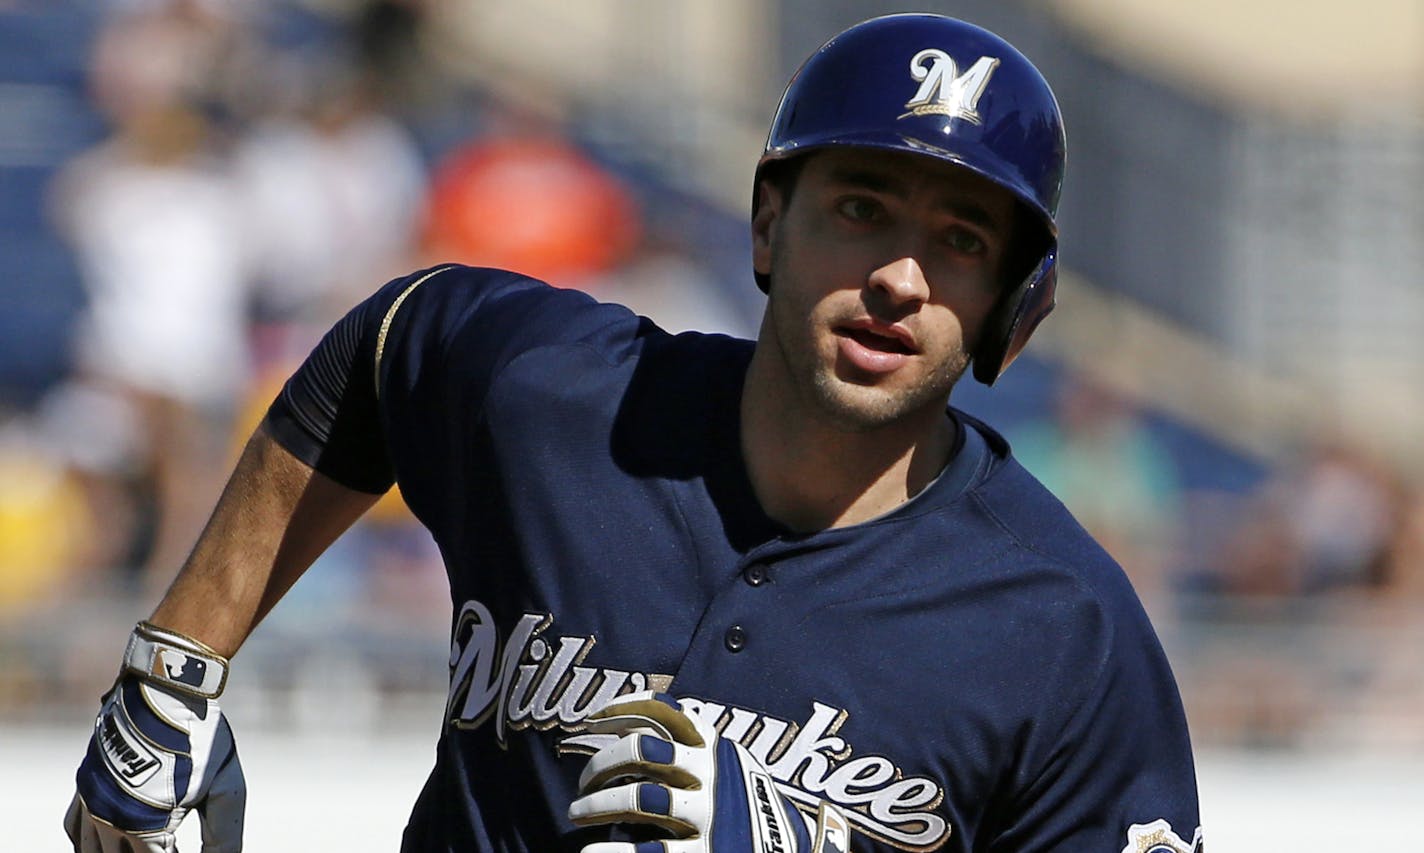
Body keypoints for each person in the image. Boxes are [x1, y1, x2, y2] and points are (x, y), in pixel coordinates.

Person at [64, 14, 1203, 853]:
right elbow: (384, 348)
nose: (899, 276)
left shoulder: (1066, 631)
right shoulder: (563, 399)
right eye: (858, 209)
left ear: (1016, 300)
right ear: (766, 223)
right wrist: (175, 668)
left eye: (959, 239)